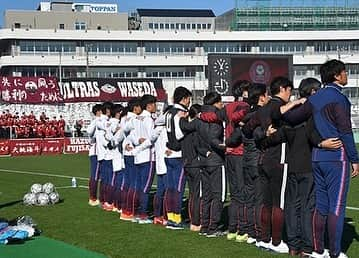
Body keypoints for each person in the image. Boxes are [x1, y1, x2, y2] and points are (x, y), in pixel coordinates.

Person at [282, 60, 359, 258]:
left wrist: (297, 102)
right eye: (344, 72)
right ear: (336, 75)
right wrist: (354, 159)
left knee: (322, 205)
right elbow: (346, 131)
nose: (346, 75)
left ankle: (317, 249)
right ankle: (334, 252)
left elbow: (291, 118)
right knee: (337, 206)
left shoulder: (315, 99)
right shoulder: (339, 99)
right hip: (336, 157)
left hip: (317, 157)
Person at [164, 86, 192, 229]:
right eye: (189, 99)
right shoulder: (179, 113)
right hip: (179, 154)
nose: (189, 102)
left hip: (168, 154)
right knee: (179, 188)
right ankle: (176, 218)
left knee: (171, 187)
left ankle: (170, 217)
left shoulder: (168, 112)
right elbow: (179, 135)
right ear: (184, 98)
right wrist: (187, 122)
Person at [130, 94, 157, 224]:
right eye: (154, 104)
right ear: (149, 105)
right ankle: (143, 215)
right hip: (148, 156)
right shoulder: (148, 119)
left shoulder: (137, 119)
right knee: (146, 187)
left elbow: (132, 137)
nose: (155, 106)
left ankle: (136, 212)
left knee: (140, 186)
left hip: (138, 157)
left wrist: (137, 142)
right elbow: (152, 138)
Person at [120, 98, 143, 221]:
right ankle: (130, 210)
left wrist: (125, 144)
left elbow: (122, 134)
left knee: (128, 183)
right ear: (136, 108)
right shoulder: (134, 119)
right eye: (140, 107)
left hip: (126, 153)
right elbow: (134, 136)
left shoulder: (124, 118)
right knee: (134, 183)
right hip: (133, 153)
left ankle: (125, 209)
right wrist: (137, 141)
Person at [182, 104, 202, 232]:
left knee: (192, 194)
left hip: (186, 163)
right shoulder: (196, 128)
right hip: (195, 162)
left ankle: (192, 221)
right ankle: (196, 221)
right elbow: (197, 145)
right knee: (198, 194)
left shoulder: (184, 127)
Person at [86, 103, 103, 206]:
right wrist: (96, 121)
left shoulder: (100, 121)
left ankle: (100, 197)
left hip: (100, 152)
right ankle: (92, 198)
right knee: (95, 175)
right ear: (98, 112)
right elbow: (89, 131)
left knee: (100, 176)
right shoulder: (95, 121)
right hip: (95, 152)